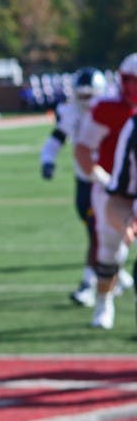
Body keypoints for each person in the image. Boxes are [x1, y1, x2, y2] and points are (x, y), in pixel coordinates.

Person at [39, 67, 131, 306]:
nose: (85, 101)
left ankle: (90, 284)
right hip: (88, 182)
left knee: (98, 235)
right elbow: (58, 138)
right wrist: (47, 160)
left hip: (115, 183)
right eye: (81, 95)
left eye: (90, 95)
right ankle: (113, 272)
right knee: (99, 235)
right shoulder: (71, 112)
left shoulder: (114, 109)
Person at [75, 52, 137, 329]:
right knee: (111, 251)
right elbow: (83, 149)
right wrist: (101, 177)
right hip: (117, 189)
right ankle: (103, 302)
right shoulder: (109, 109)